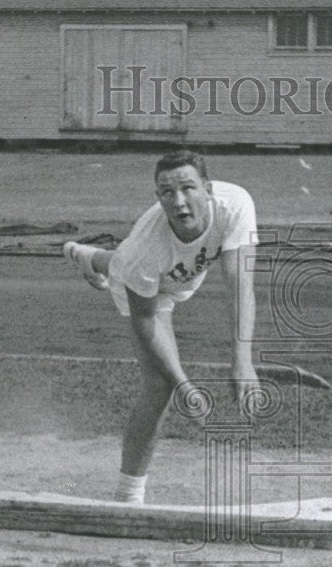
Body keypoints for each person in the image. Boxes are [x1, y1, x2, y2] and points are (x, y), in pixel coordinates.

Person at [63, 150, 260, 505]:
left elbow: (240, 288)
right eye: (167, 193)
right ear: (158, 198)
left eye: (188, 188)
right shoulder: (145, 246)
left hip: (177, 271)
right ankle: (128, 496)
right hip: (148, 287)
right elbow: (146, 319)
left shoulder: (236, 206)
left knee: (121, 262)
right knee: (159, 387)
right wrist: (183, 385)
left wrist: (242, 360)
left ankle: (84, 255)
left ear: (209, 189)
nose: (179, 201)